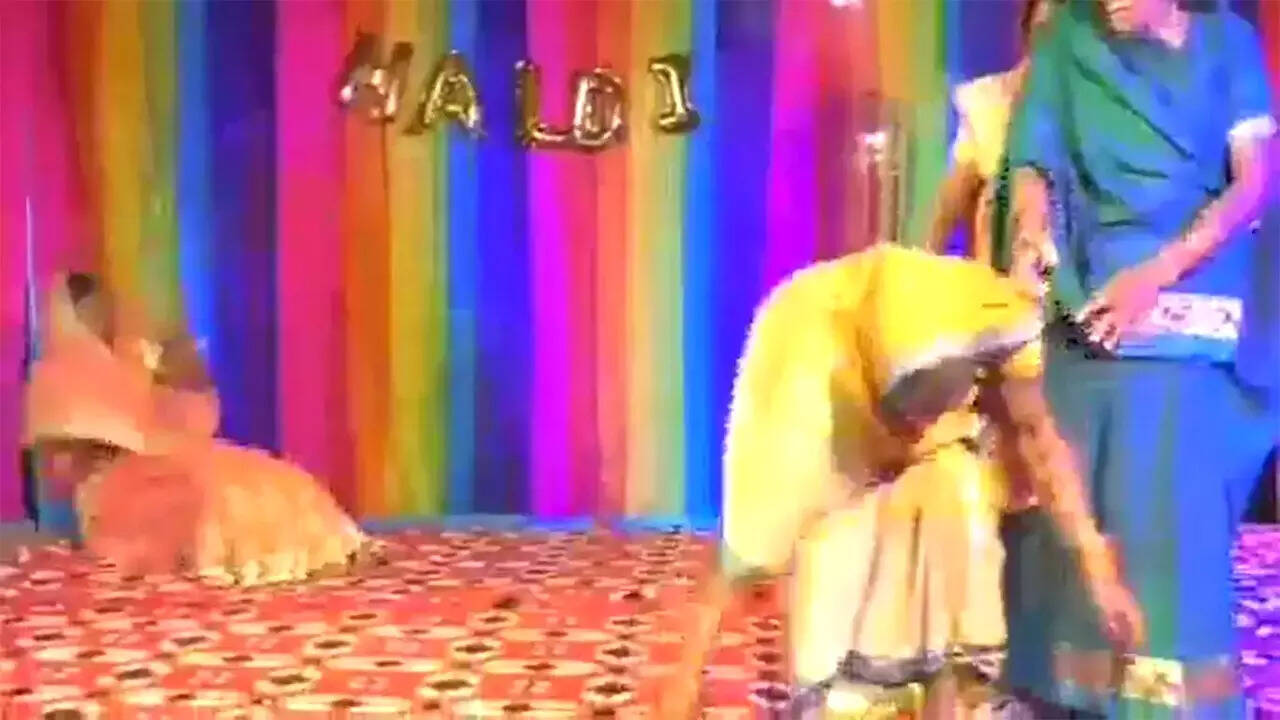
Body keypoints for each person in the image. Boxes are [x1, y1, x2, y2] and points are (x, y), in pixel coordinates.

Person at [659, 243, 1144, 719]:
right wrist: (686, 679)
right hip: (826, 351)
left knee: (957, 492)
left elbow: (1041, 442)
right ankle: (826, 689)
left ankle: (944, 691)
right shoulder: (812, 366)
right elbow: (752, 537)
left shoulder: (997, 330)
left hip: (916, 373)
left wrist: (1097, 566)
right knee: (779, 538)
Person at [1000, 0, 1277, 715]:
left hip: (1194, 275)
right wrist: (1032, 233)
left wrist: (1156, 275)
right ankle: (1078, 685)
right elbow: (1032, 161)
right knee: (1066, 458)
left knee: (1168, 483)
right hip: (1086, 284)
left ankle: (1166, 696)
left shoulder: (1229, 43)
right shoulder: (1067, 39)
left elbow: (1253, 184)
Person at [24, 273, 373, 584]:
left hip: (174, 455)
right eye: (89, 310)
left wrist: (182, 374)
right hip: (117, 483)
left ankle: (317, 548)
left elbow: (196, 418)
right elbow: (65, 462)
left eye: (103, 307)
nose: (101, 317)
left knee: (267, 477)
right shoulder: (57, 376)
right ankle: (235, 557)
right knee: (207, 494)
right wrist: (116, 437)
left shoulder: (135, 356)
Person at [926, 0, 1056, 263]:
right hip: (998, 278)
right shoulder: (987, 106)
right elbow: (948, 211)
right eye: (1045, 31)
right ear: (1026, 32)